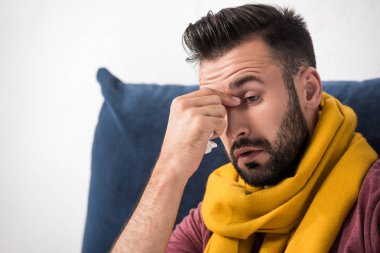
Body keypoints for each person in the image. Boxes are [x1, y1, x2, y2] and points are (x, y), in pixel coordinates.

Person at [111, 4, 379, 253]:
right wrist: (169, 170)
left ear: (308, 90)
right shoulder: (216, 214)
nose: (233, 129)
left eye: (251, 98)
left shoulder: (371, 202)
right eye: (219, 107)